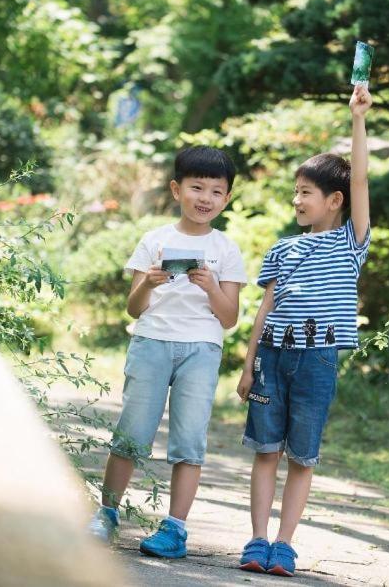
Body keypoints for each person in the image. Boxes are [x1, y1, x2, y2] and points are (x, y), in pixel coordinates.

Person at [234, 85, 372, 577]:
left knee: (302, 455)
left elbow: (361, 182)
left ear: (334, 201)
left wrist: (357, 119)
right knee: (266, 450)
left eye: (306, 193)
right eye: (295, 191)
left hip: (317, 361)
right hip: (271, 357)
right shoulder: (282, 250)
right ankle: (256, 540)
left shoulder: (350, 242)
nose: (297, 199)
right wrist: (248, 362)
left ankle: (285, 545)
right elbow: (264, 309)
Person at [87, 146, 248, 560]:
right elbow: (133, 307)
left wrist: (211, 287)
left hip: (202, 350)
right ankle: (106, 513)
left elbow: (229, 318)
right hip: (152, 342)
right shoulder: (154, 240)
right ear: (177, 189)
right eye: (197, 187)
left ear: (227, 198)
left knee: (189, 440)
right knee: (131, 432)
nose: (205, 198)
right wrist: (149, 284)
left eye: (216, 190)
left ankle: (175, 528)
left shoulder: (227, 249)